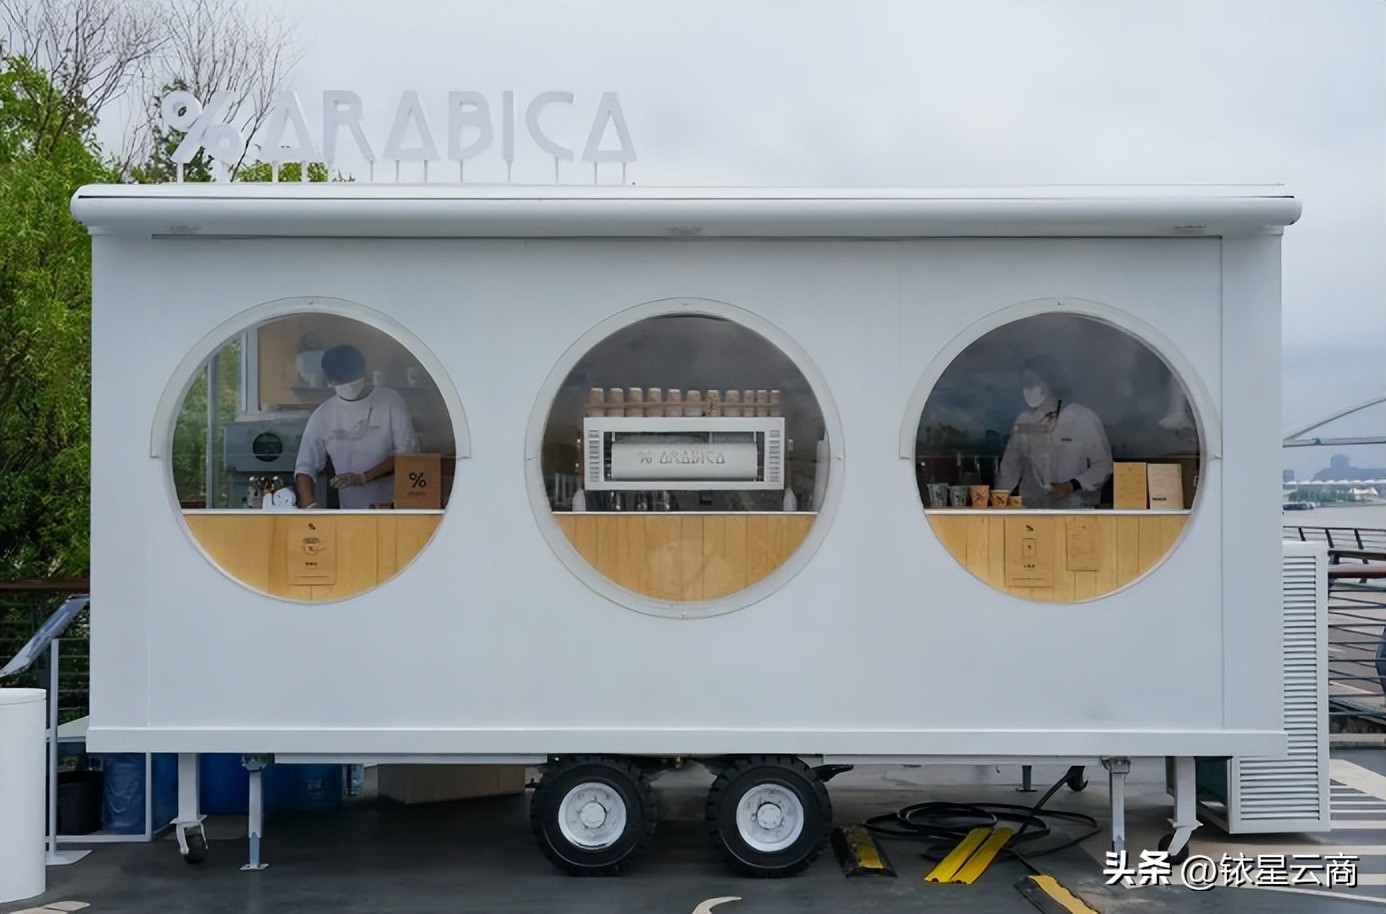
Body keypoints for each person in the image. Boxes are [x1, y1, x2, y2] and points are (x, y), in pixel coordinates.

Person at [294, 345, 418, 509]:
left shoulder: (390, 401)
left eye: (352, 378)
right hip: (351, 509)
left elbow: (408, 453)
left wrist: (364, 477)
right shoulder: (323, 415)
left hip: (394, 504)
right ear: (329, 380)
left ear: (364, 372)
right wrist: (310, 506)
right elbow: (305, 467)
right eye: (342, 381)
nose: (349, 385)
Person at [993, 355, 1112, 509]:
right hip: (1032, 512)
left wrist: (1071, 485)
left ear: (1051, 381)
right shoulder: (1024, 420)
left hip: (1075, 513)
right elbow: (1009, 469)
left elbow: (1103, 466)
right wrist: (997, 505)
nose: (1027, 390)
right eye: (1024, 385)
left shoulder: (1083, 419)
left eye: (1032, 383)